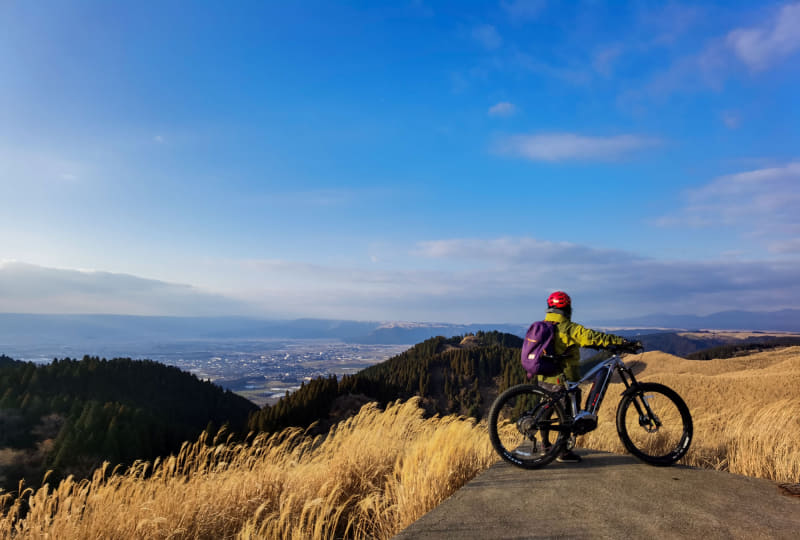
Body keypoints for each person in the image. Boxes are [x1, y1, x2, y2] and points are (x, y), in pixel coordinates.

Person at [538, 291, 641, 463]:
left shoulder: (543, 326)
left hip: (544, 376)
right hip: (563, 378)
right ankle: (562, 452)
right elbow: (592, 337)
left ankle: (545, 445)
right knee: (568, 414)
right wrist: (620, 342)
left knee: (547, 410)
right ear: (567, 308)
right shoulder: (568, 328)